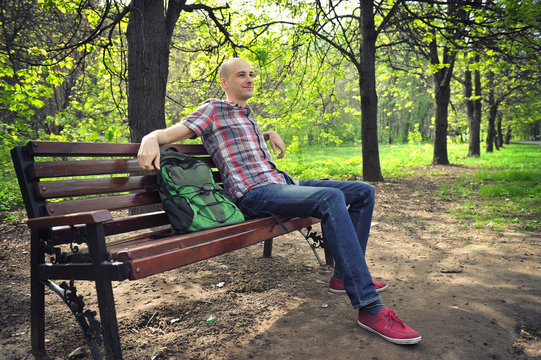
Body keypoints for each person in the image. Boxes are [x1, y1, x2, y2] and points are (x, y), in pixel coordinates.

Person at [138, 58, 422, 345]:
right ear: (224, 82)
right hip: (253, 194)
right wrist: (151, 136)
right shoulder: (212, 109)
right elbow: (173, 132)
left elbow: (241, 139)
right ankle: (369, 306)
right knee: (331, 197)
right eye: (241, 75)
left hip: (281, 184)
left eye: (251, 74)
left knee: (363, 192)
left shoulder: (247, 114)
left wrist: (267, 133)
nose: (249, 79)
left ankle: (343, 275)